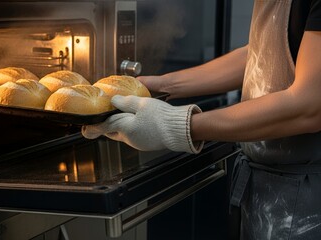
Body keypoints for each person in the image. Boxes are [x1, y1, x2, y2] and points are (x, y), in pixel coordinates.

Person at [82, 0, 321, 239]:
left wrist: (177, 125)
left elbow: (309, 105)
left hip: (308, 199)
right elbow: (261, 53)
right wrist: (161, 85)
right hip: (263, 187)